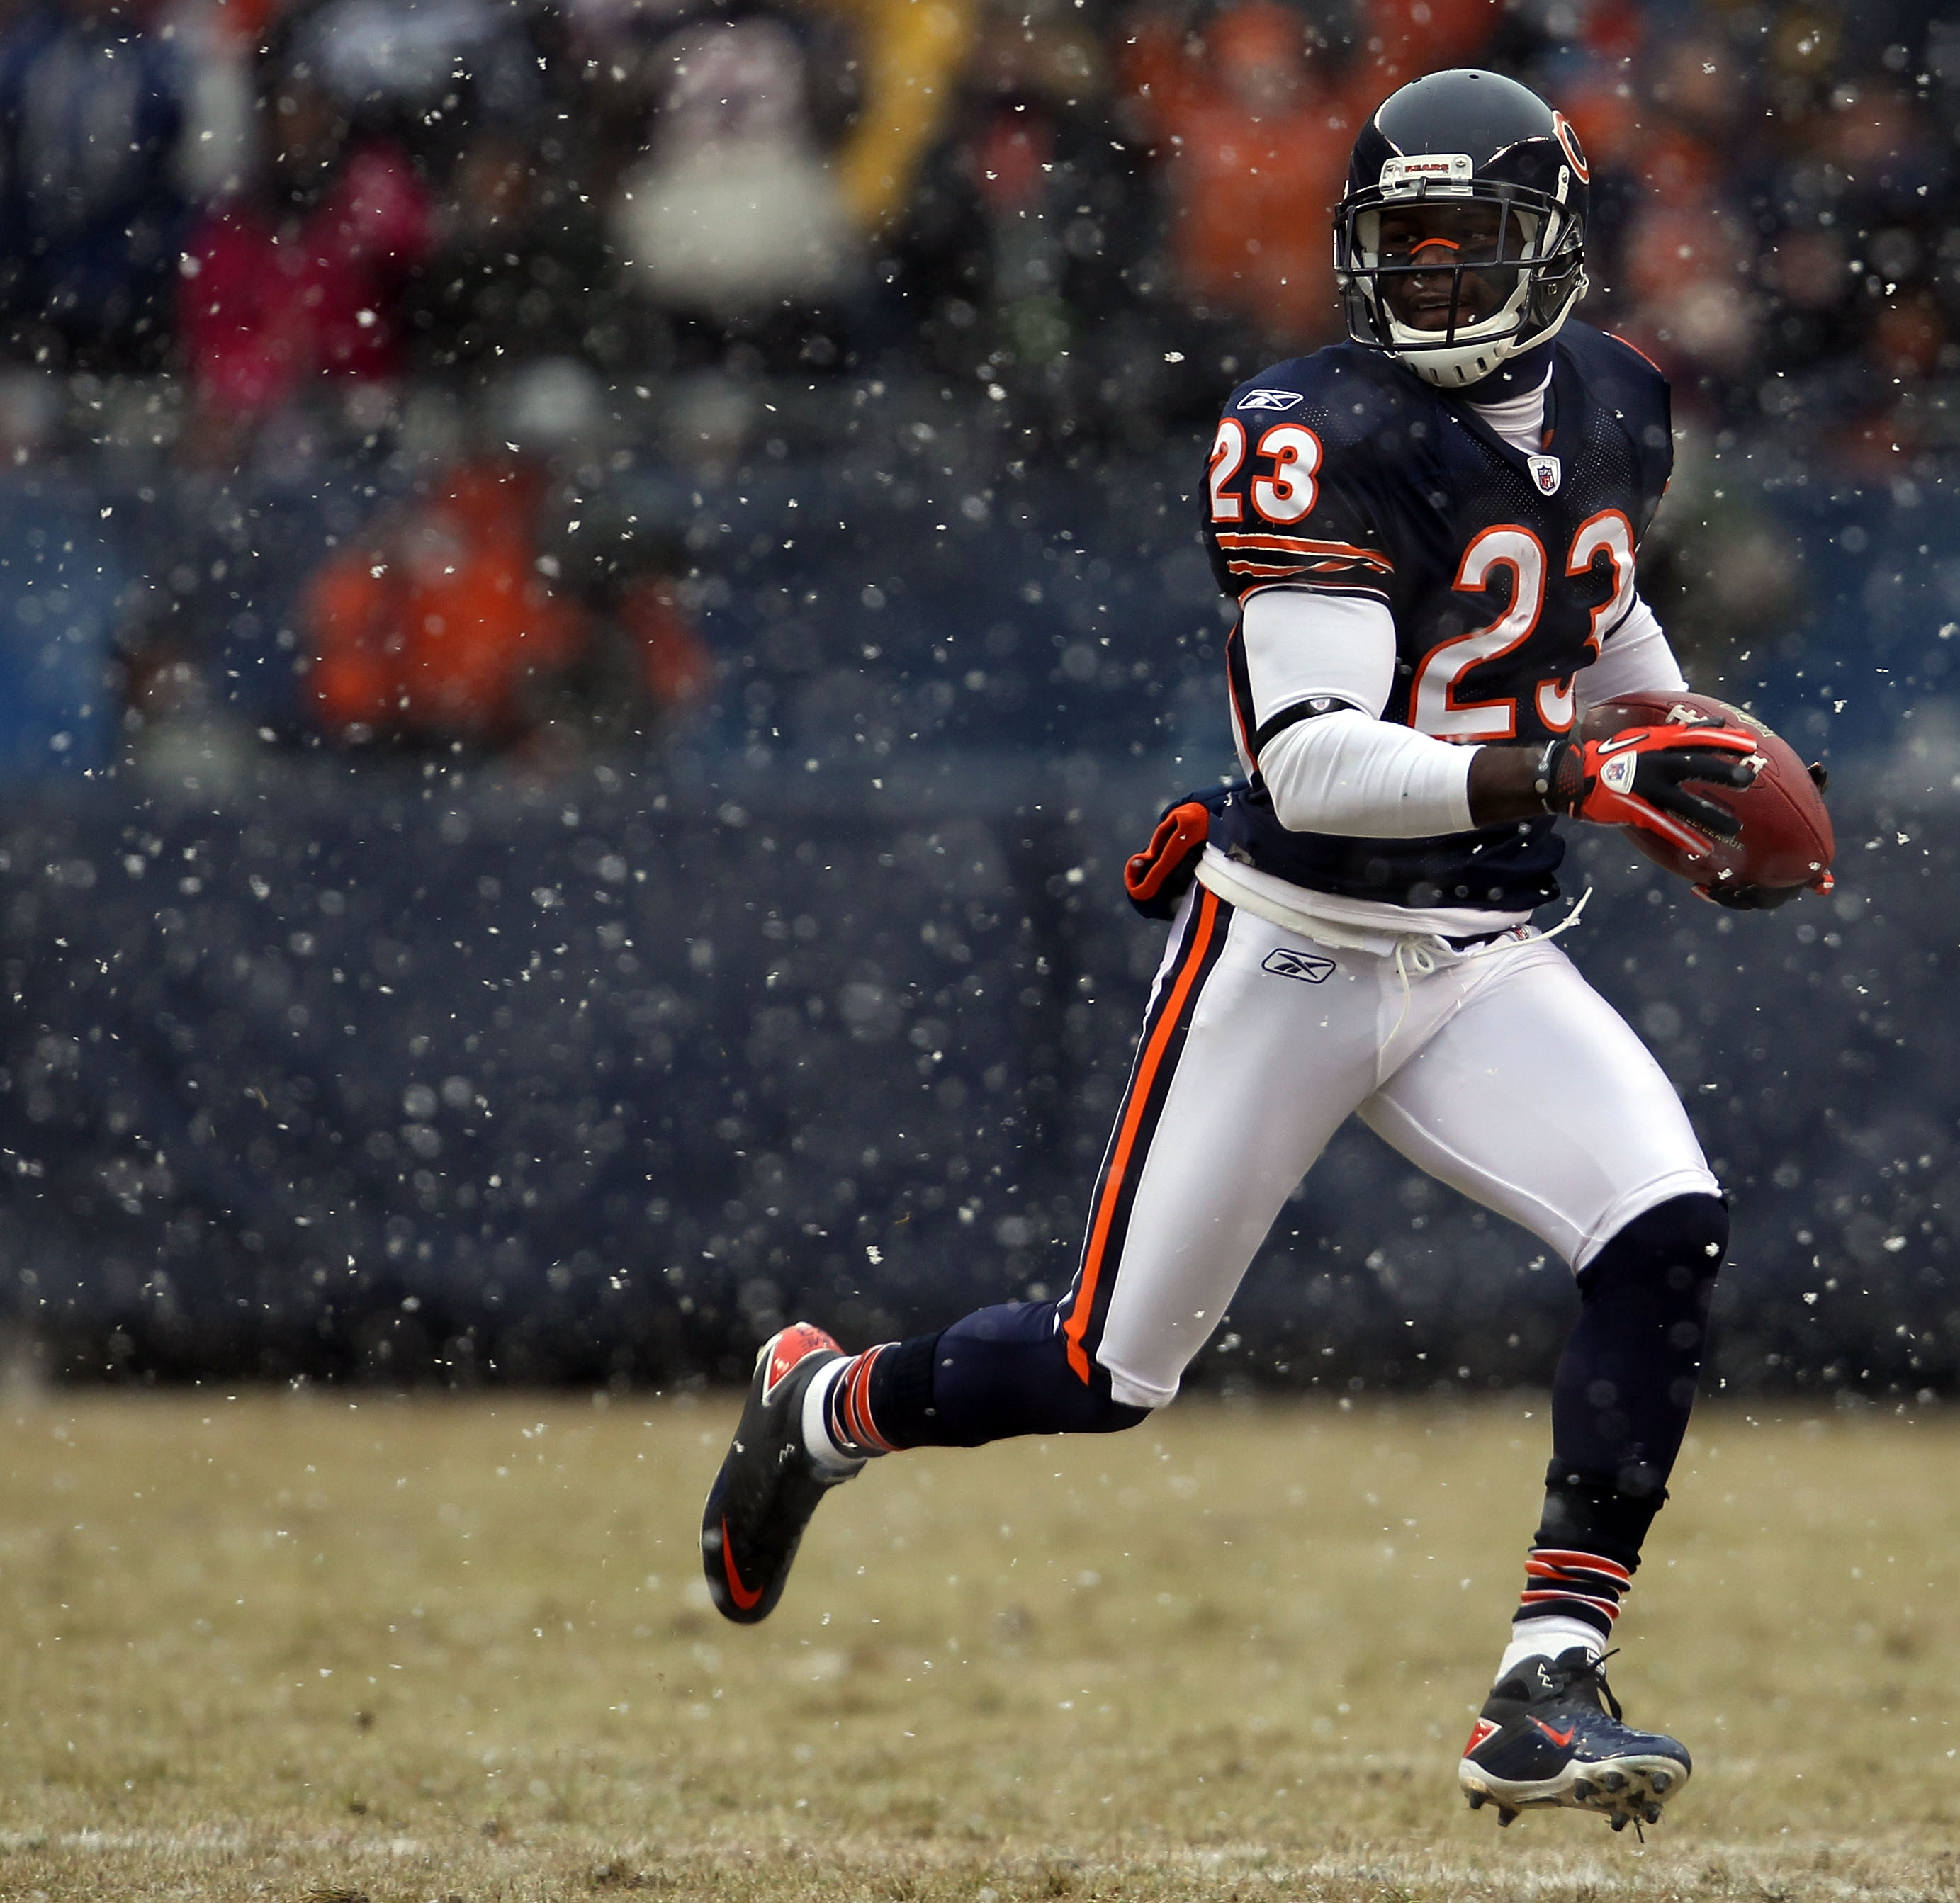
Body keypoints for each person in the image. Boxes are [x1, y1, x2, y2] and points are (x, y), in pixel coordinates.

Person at [703, 68, 1796, 1834]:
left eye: (1470, 245)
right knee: (1099, 1371)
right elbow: (1316, 758)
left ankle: (1543, 1681)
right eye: (1404, 247)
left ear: (1555, 249)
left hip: (1480, 949)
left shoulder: (1616, 399)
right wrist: (1573, 769)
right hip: (1290, 939)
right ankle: (825, 1407)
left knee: (1660, 1228)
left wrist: (1669, 740)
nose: (1433, 283)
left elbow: (1588, 603)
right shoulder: (1309, 424)